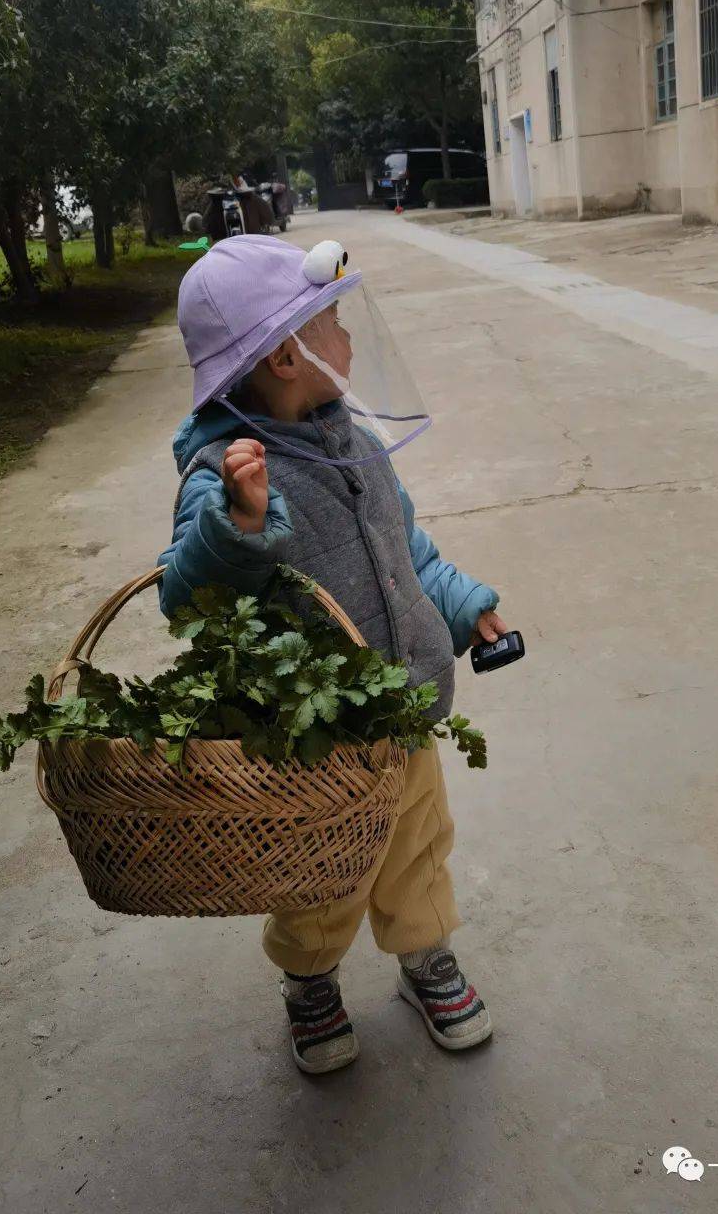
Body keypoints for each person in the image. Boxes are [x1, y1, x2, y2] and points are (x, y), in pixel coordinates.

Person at [158, 233, 509, 1075]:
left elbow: (405, 550)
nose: (349, 338)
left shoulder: (352, 441)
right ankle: (310, 980)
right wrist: (237, 529)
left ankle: (425, 957)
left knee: (417, 846)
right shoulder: (223, 472)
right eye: (335, 320)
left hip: (404, 708)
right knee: (321, 874)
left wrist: (466, 606)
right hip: (313, 742)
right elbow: (182, 595)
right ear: (285, 354)